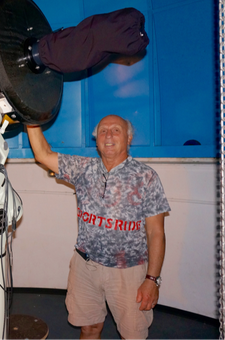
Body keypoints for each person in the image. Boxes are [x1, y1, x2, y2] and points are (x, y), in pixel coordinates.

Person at [26, 115, 170, 340]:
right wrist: (29, 117)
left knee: (132, 335)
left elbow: (156, 233)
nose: (108, 135)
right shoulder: (83, 169)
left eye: (116, 130)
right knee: (89, 329)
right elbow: (43, 154)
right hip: (85, 267)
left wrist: (152, 280)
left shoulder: (146, 177)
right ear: (96, 140)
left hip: (128, 272)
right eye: (103, 131)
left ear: (129, 138)